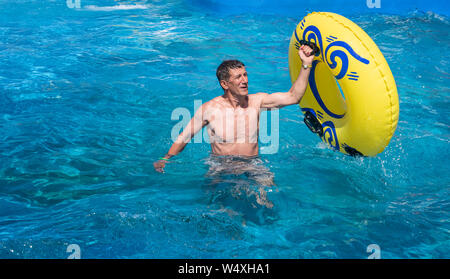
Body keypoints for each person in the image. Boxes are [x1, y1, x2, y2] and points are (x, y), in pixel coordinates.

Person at [154, 45, 315, 173]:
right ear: (225, 84)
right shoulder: (209, 109)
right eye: (238, 77)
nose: (244, 80)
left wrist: (306, 63)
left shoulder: (257, 101)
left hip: (252, 164)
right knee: (212, 204)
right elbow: (185, 136)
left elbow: (293, 97)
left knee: (267, 200)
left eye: (245, 75)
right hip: (220, 165)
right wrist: (165, 159)